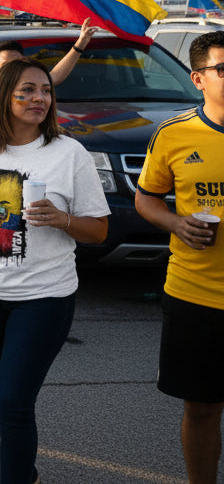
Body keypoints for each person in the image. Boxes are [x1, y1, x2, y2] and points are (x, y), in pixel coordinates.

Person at [0, 56, 109, 484]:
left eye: (45, 90)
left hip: (44, 299)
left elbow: (99, 230)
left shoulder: (70, 154)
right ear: (3, 98)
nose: (39, 99)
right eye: (27, 91)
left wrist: (63, 219)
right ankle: (24, 471)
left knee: (13, 402)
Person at [135, 29, 224, 484]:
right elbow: (146, 199)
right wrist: (177, 223)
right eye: (222, 69)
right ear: (198, 78)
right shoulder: (174, 133)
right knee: (203, 406)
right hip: (196, 295)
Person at [0, 18, 103, 134]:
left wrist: (80, 44)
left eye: (17, 62)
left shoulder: (34, 90)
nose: (38, 98)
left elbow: (56, 75)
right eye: (6, 64)